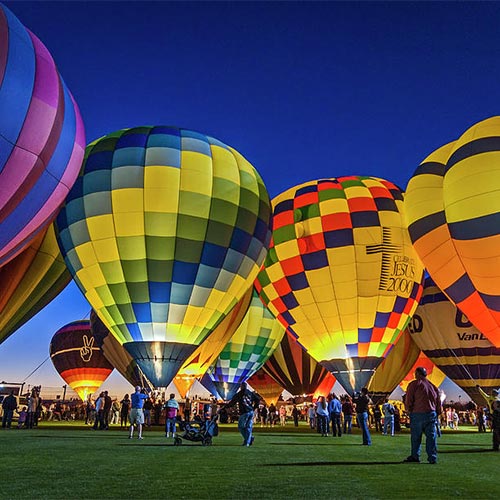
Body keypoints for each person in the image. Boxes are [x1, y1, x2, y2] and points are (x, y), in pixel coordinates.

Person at [403, 366, 441, 464]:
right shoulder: (433, 386)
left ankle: (415, 455)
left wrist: (408, 409)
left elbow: (409, 398)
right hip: (431, 414)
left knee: (416, 437)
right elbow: (438, 401)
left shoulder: (414, 384)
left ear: (418, 374)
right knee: (431, 437)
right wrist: (438, 412)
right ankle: (432, 457)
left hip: (417, 413)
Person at [220, 382, 260, 447]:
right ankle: (249, 439)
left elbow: (232, 403)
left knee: (241, 427)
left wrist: (225, 407)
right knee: (248, 427)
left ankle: (247, 441)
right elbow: (257, 399)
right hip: (250, 411)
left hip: (244, 412)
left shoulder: (239, 394)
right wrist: (254, 407)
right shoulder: (250, 393)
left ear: (240, 387)